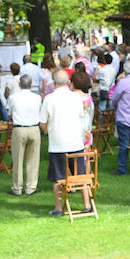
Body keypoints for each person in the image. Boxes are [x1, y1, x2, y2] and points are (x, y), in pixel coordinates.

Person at [41, 69, 93, 217]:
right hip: (75, 142)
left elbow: (43, 122)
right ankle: (87, 204)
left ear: (54, 82)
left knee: (58, 178)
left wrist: (48, 131)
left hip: (58, 143)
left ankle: (58, 207)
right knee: (80, 174)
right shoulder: (77, 98)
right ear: (68, 82)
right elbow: (81, 116)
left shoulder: (49, 99)